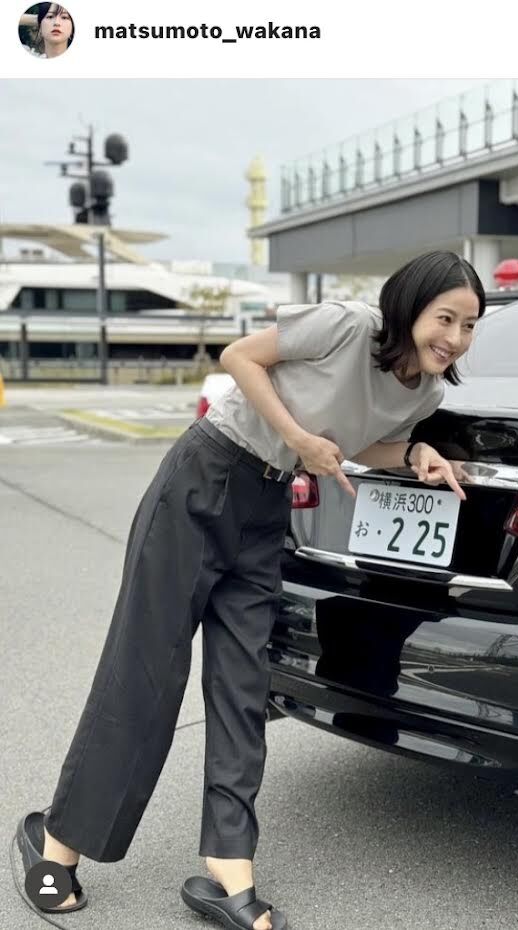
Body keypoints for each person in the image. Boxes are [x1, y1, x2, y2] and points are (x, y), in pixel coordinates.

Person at [17, 251, 486, 930]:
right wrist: (298, 436)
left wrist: (415, 454)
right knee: (147, 670)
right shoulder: (347, 326)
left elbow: (362, 442)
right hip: (205, 475)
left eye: (470, 325)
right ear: (411, 308)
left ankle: (228, 873)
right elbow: (241, 356)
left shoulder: (426, 394)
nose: (456, 337)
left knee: (242, 685)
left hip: (267, 511)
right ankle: (59, 847)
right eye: (446, 318)